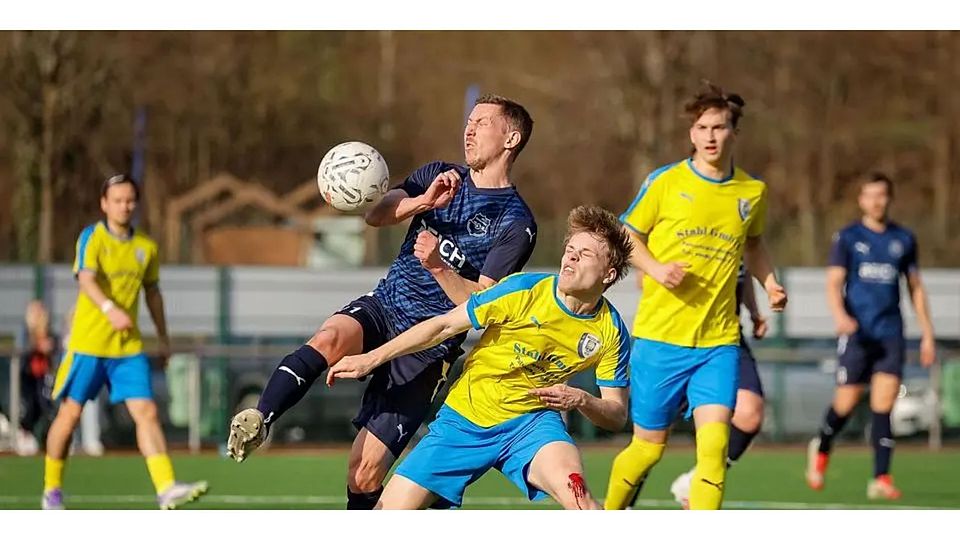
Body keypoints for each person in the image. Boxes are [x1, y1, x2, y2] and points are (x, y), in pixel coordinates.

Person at [227, 94, 538, 510]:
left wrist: (438, 266)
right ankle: (261, 417)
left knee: (364, 471)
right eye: (468, 120)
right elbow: (377, 213)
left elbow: (482, 303)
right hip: (386, 304)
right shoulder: (439, 174)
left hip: (426, 346)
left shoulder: (516, 222)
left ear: (511, 138)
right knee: (331, 337)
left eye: (482, 122)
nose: (469, 129)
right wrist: (422, 202)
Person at [328, 205, 632, 509]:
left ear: (609, 273)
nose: (571, 257)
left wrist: (581, 400)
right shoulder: (522, 290)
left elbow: (616, 414)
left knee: (583, 503)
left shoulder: (612, 331)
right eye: (570, 249)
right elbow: (443, 325)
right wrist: (370, 358)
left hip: (532, 425)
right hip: (465, 419)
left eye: (586, 253)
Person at [604, 82, 787, 511]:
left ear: (732, 133)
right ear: (691, 134)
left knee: (714, 453)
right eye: (702, 127)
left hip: (718, 344)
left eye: (719, 127)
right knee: (647, 448)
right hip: (659, 339)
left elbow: (755, 245)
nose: (710, 135)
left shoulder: (751, 191)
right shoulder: (664, 182)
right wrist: (655, 268)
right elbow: (627, 233)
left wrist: (771, 283)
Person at [42, 174, 207, 510]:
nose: (124, 206)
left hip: (128, 348)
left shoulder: (146, 247)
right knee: (70, 416)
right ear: (104, 203)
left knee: (146, 412)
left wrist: (163, 340)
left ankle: (166, 487)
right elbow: (86, 278)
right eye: (117, 200)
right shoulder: (92, 237)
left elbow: (153, 293)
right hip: (88, 345)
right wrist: (108, 308)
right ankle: (51, 489)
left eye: (130, 200)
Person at [806, 172, 936, 500]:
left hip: (890, 333)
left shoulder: (903, 239)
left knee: (884, 405)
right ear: (861, 200)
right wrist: (840, 317)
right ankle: (821, 446)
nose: (876, 201)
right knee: (846, 403)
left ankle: (881, 477)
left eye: (882, 195)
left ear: (889, 198)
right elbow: (834, 282)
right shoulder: (849, 237)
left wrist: (928, 335)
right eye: (870, 195)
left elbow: (915, 289)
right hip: (858, 333)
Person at [668, 265, 768, 508]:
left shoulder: (743, 226)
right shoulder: (671, 227)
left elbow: (743, 266)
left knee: (749, 414)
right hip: (674, 335)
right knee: (654, 431)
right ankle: (623, 505)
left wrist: (754, 310)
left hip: (727, 335)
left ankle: (696, 480)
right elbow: (643, 271)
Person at [15, 300, 58, 456]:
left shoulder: (49, 330)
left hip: (44, 376)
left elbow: (56, 346)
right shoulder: (25, 330)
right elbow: (22, 348)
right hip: (27, 375)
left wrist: (50, 346)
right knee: (29, 407)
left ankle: (49, 440)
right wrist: (37, 346)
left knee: (45, 406)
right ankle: (24, 435)